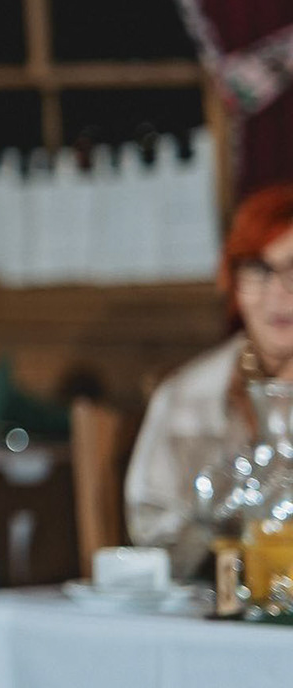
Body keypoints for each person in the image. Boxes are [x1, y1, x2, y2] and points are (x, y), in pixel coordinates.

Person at [125, 183, 293, 577]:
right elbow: (151, 530)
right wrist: (216, 525)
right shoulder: (189, 395)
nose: (278, 294)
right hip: (218, 596)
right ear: (233, 282)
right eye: (258, 270)